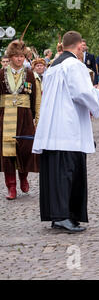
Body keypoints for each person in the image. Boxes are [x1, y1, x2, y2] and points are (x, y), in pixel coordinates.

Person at [32, 30, 99, 232]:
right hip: (68, 128)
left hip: (53, 129)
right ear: (79, 46)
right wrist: (97, 94)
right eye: (83, 46)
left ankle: (58, 216)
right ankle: (64, 216)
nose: (83, 50)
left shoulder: (53, 67)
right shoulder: (74, 65)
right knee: (67, 173)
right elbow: (81, 92)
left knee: (56, 173)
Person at [0, 39, 40, 200]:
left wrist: (37, 118)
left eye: (22, 56)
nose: (19, 59)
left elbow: (36, 98)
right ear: (10, 57)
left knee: (24, 150)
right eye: (16, 56)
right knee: (7, 154)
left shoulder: (31, 74)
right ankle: (11, 186)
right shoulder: (1, 74)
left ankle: (23, 178)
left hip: (25, 118)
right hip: (5, 118)